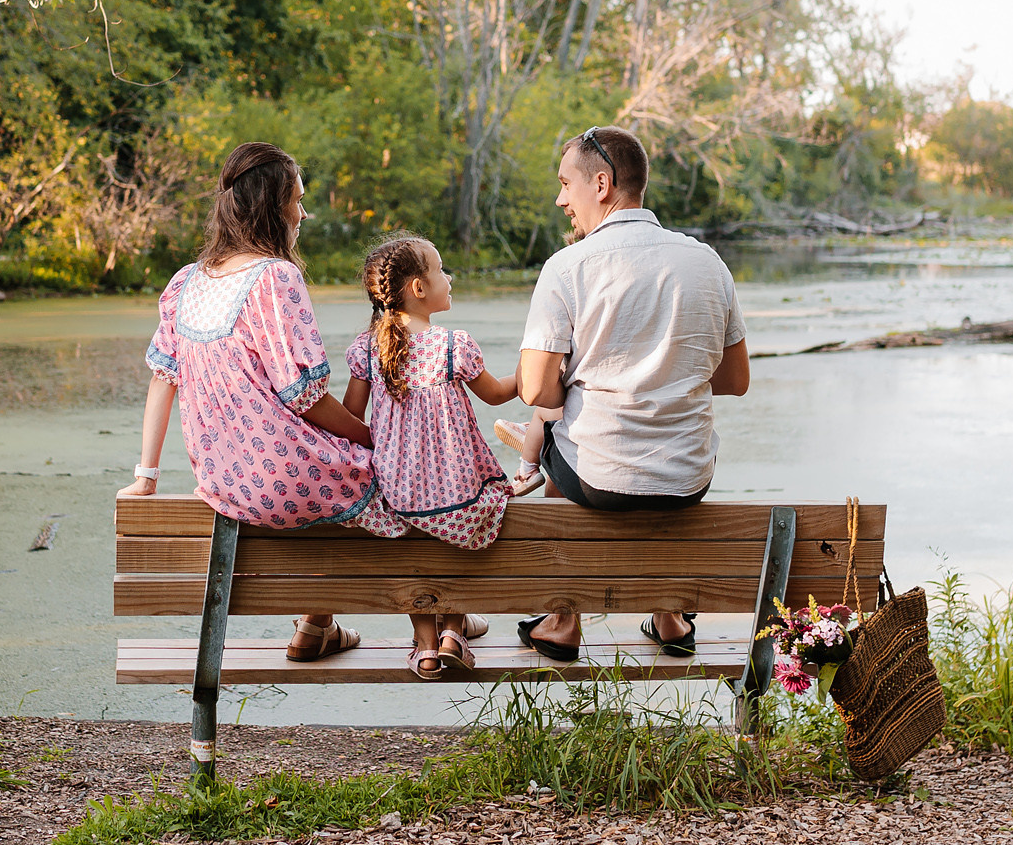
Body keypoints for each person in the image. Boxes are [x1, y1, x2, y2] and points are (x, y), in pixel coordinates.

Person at [119, 142, 402, 663]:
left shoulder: (185, 282)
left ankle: (318, 624)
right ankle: (448, 622)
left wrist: (147, 476)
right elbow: (307, 397)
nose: (304, 211)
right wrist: (372, 438)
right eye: (298, 199)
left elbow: (164, 379)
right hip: (283, 478)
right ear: (275, 207)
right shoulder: (276, 278)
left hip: (224, 483)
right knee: (404, 474)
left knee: (342, 472)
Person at [494, 126, 750, 662]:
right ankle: (670, 614)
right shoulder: (708, 262)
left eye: (566, 184)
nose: (560, 199)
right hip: (687, 479)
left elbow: (539, 390)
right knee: (623, 453)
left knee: (552, 437)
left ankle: (563, 619)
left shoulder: (567, 268)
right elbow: (734, 381)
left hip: (599, 480)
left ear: (602, 183)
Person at [343, 234, 526, 679]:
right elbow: (500, 395)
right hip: (458, 503)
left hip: (398, 498)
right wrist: (532, 369)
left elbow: (349, 415)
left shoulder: (369, 349)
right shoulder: (452, 346)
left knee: (414, 545)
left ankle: (426, 648)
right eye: (441, 269)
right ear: (419, 289)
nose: (450, 277)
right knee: (475, 510)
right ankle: (454, 634)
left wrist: (391, 445)